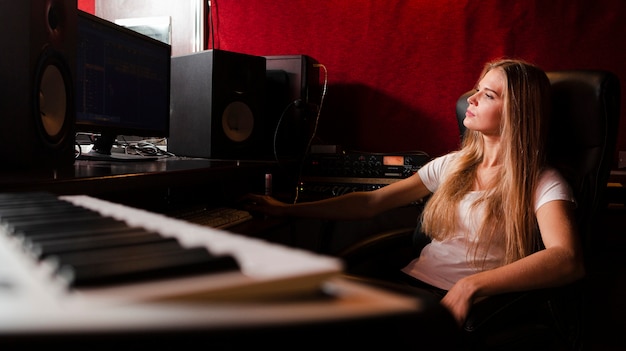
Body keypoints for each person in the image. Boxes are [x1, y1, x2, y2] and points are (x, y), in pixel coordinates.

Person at [243, 58, 585, 325]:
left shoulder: (541, 181)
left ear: (517, 112)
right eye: (477, 89)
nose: (472, 98)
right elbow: (371, 202)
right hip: (408, 283)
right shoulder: (452, 165)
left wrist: (471, 286)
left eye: (489, 94)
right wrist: (286, 209)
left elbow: (566, 259)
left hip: (455, 300)